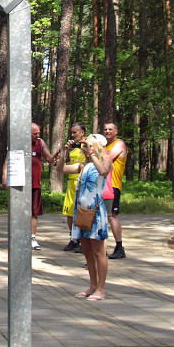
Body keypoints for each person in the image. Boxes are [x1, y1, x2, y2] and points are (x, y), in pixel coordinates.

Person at [56, 134, 113, 301]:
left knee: (98, 251)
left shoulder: (105, 162)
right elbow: (61, 169)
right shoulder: (84, 165)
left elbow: (103, 171)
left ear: (96, 147)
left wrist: (92, 154)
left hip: (95, 213)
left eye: (88, 144)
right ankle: (92, 286)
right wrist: (65, 153)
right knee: (87, 251)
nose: (84, 146)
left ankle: (101, 289)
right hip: (81, 212)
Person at [1, 123, 54, 250]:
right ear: (27, 133)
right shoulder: (18, 142)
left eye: (38, 133)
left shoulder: (40, 143)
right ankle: (17, 237)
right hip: (19, 184)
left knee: (34, 212)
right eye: (35, 133)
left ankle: (32, 237)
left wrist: (58, 156)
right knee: (17, 211)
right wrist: (4, 177)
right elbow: (8, 160)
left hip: (35, 184)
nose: (38, 135)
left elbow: (49, 158)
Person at [103, 122, 128, 259]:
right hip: (104, 185)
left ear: (116, 131)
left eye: (110, 129)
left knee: (112, 216)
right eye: (105, 129)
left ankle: (119, 247)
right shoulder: (105, 145)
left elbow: (107, 158)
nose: (107, 131)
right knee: (102, 216)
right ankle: (100, 246)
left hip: (113, 185)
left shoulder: (119, 144)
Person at [61, 123, 87, 253]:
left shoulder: (87, 145)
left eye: (75, 132)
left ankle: (84, 239)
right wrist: (67, 151)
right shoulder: (73, 147)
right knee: (69, 212)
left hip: (82, 182)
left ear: (82, 132)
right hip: (71, 182)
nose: (73, 135)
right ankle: (74, 237)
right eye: (71, 132)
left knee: (81, 212)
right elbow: (66, 163)